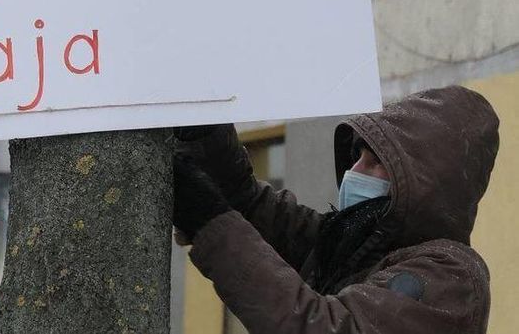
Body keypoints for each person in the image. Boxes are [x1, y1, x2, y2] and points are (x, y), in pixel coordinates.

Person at [172, 85, 499, 333]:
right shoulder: (348, 249)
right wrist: (205, 132)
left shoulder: (451, 277)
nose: (354, 171)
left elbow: (324, 326)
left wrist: (209, 219)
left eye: (375, 162)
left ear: (425, 182)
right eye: (357, 156)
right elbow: (248, 205)